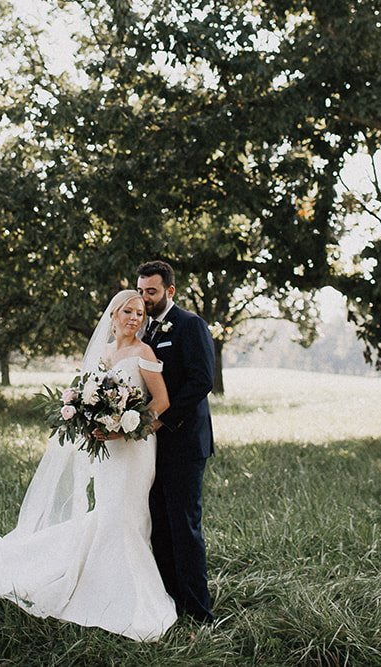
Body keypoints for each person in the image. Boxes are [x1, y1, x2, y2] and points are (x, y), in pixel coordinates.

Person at [0, 290, 178, 641]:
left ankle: (131, 592)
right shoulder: (103, 353)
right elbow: (92, 399)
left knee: (128, 517)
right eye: (128, 311)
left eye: (140, 313)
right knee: (106, 513)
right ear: (114, 315)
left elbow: (161, 402)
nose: (135, 318)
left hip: (134, 448)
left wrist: (128, 428)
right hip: (107, 448)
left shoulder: (143, 353)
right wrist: (95, 423)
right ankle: (94, 579)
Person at [136, 259, 216, 624]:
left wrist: (160, 419)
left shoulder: (189, 325)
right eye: (140, 291)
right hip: (150, 449)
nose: (144, 298)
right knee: (160, 526)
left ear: (169, 291)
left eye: (151, 292)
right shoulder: (142, 331)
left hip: (184, 444)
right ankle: (169, 602)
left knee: (185, 526)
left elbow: (201, 381)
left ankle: (199, 611)